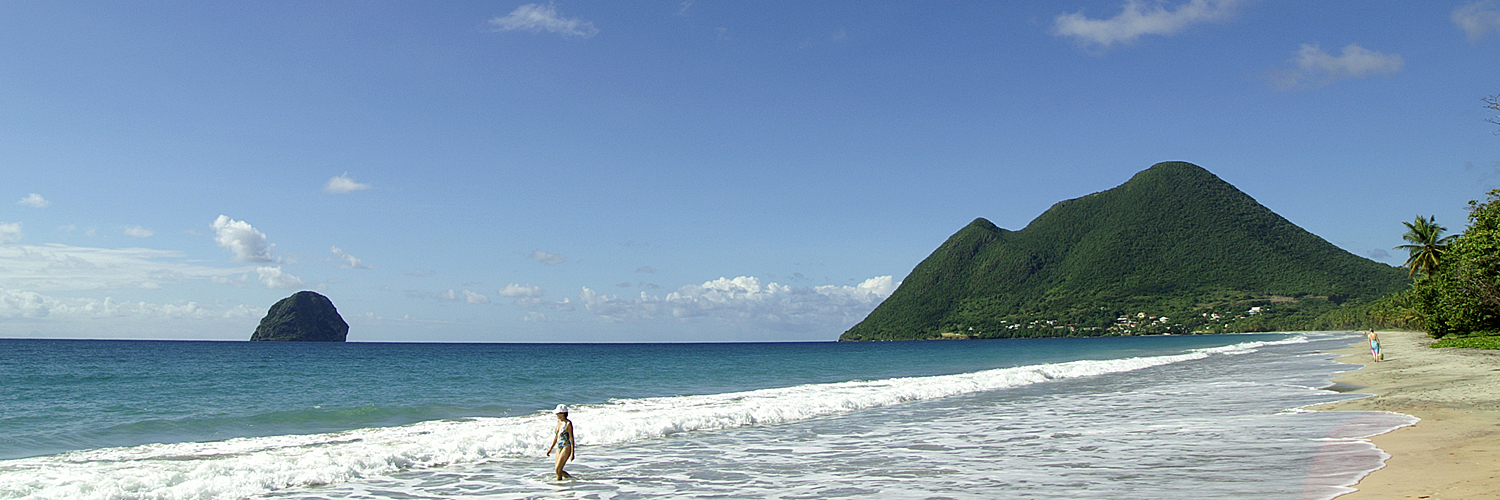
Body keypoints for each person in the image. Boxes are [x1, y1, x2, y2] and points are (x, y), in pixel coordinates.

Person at [546, 404, 575, 480]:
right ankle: (570, 478)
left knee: (558, 470)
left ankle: (559, 487)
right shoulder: (558, 422)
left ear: (563, 414)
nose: (556, 415)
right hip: (559, 446)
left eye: (558, 413)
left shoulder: (568, 424)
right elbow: (556, 437)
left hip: (566, 446)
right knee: (558, 470)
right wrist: (550, 449)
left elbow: (572, 439)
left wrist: (572, 453)